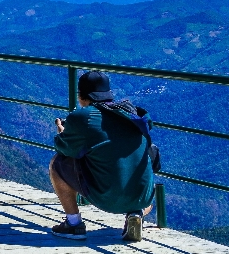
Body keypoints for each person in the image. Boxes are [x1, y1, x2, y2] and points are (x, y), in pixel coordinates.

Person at [49, 70, 155, 241]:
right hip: (144, 196)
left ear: (82, 96)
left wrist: (63, 133)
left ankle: (74, 225)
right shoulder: (132, 113)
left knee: (57, 163)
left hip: (107, 198)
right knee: (140, 185)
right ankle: (136, 213)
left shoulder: (84, 116)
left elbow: (64, 149)